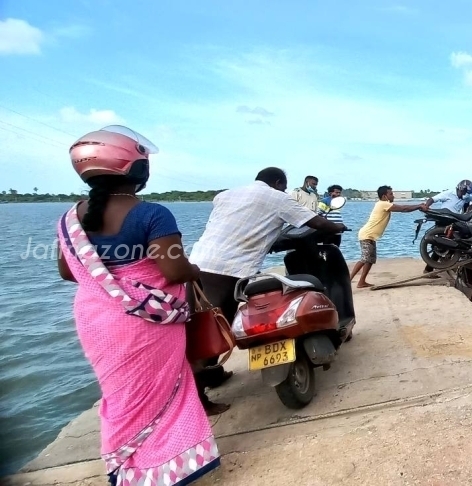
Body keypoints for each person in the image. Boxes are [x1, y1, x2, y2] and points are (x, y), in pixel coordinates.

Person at [56, 125, 222, 484]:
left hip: (95, 320)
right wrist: (194, 268)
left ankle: (122, 466)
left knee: (121, 397)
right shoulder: (152, 214)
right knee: (158, 393)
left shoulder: (70, 219)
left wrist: (110, 275)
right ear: (136, 167)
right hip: (146, 324)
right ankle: (158, 470)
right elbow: (174, 270)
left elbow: (68, 273)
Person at [188, 167, 345, 410]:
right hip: (226, 270)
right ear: (278, 182)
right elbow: (314, 221)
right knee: (215, 330)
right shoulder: (277, 197)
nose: (284, 189)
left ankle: (213, 374)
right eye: (283, 185)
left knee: (204, 328)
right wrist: (337, 228)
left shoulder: (225, 195)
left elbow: (242, 225)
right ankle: (200, 402)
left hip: (196, 264)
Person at [351, 186, 427, 288]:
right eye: (391, 194)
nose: (393, 196)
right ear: (384, 196)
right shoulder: (383, 204)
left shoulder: (383, 204)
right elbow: (403, 209)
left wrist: (418, 206)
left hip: (370, 236)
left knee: (370, 259)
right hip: (367, 235)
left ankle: (361, 282)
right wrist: (419, 206)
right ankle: (348, 280)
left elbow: (404, 208)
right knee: (365, 258)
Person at [419, 180, 472, 274]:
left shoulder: (466, 196)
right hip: (444, 219)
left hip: (455, 221)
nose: (465, 194)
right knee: (441, 244)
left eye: (467, 193)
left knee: (456, 241)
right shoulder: (449, 193)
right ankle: (428, 270)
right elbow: (433, 199)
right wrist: (426, 206)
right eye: (464, 192)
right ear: (460, 189)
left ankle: (438, 266)